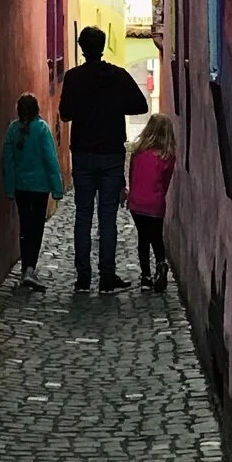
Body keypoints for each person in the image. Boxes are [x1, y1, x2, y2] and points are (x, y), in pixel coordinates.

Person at [57, 26, 146, 293]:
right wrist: (116, 105)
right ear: (103, 46)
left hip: (83, 153)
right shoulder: (117, 77)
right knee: (107, 217)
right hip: (110, 155)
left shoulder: (73, 78)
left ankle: (83, 277)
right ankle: (107, 276)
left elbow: (64, 114)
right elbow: (140, 105)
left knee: (83, 216)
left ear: (82, 48)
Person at [1, 93, 63, 292]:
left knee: (25, 226)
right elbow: (50, 159)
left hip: (21, 187)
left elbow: (7, 161)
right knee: (36, 228)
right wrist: (57, 188)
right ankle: (29, 268)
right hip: (40, 188)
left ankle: (25, 269)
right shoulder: (42, 129)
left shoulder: (12, 130)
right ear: (36, 109)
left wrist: (10, 188)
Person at [126, 113, 177, 292]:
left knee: (143, 238)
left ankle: (146, 277)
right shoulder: (167, 156)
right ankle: (161, 264)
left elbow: (132, 176)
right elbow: (166, 181)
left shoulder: (138, 152)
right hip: (155, 202)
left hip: (137, 202)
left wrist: (130, 195)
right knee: (156, 236)